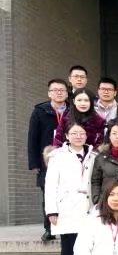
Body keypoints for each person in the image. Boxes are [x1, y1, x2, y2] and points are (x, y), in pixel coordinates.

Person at [45, 123, 97, 255]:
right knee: (67, 247)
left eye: (81, 133)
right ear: (67, 136)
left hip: (86, 209)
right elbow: (50, 185)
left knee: (83, 247)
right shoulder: (57, 156)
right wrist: (51, 211)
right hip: (65, 208)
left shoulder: (93, 156)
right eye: (74, 133)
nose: (78, 136)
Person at [28, 79, 69, 241]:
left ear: (67, 93)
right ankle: (49, 229)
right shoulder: (40, 111)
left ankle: (67, 227)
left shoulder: (72, 111)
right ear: (49, 93)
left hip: (68, 158)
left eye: (62, 90)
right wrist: (34, 163)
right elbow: (32, 138)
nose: (59, 93)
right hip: (47, 160)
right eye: (55, 90)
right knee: (48, 193)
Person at [91, 122, 118, 204]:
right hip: (105, 202)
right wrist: (97, 199)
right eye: (114, 133)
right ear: (109, 137)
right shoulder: (101, 157)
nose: (117, 137)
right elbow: (96, 181)